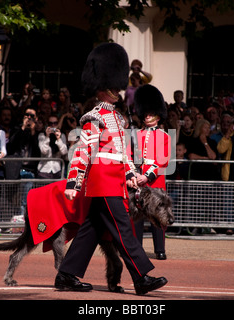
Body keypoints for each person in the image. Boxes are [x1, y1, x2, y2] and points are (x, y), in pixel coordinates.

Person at [55, 43, 168, 295]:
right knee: (122, 228)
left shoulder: (117, 118)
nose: (118, 89)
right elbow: (83, 151)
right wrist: (73, 183)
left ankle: (65, 275)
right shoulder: (93, 117)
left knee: (91, 230)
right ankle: (141, 277)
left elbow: (123, 153)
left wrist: (131, 176)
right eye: (113, 85)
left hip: (114, 180)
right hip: (102, 180)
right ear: (101, 88)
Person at [130, 84, 171, 260]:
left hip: (155, 181)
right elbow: (129, 157)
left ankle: (160, 249)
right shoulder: (135, 135)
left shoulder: (164, 136)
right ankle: (137, 249)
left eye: (150, 113)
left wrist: (147, 176)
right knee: (137, 216)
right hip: (138, 180)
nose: (147, 116)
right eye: (145, 113)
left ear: (158, 115)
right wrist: (134, 175)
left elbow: (162, 160)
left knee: (158, 215)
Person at [7, 107, 40, 214]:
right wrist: (23, 128)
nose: (29, 118)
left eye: (32, 116)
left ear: (36, 119)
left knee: (25, 200)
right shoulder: (16, 129)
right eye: (27, 115)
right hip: (15, 170)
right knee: (12, 199)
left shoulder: (38, 133)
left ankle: (22, 224)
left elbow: (37, 151)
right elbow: (11, 146)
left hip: (29, 169)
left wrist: (33, 131)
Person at [37, 114, 67, 179]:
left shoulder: (62, 136)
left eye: (55, 123)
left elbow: (64, 152)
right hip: (44, 171)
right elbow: (43, 151)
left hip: (57, 170)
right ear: (47, 125)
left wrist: (58, 139)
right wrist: (47, 137)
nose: (53, 125)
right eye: (51, 123)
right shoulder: (42, 135)